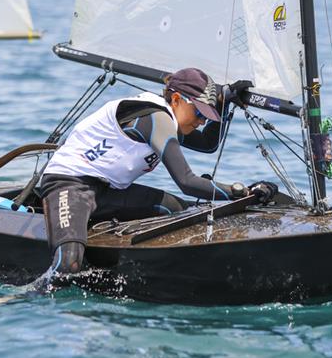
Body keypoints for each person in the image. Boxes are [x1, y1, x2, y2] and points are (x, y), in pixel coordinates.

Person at [40, 67, 278, 274]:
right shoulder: (154, 118)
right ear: (176, 99)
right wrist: (242, 192)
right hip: (68, 184)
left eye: (207, 116)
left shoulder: (169, 120)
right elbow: (186, 181)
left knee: (175, 209)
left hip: (107, 191)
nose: (202, 121)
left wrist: (223, 105)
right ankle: (27, 295)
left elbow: (208, 144)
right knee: (68, 265)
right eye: (199, 112)